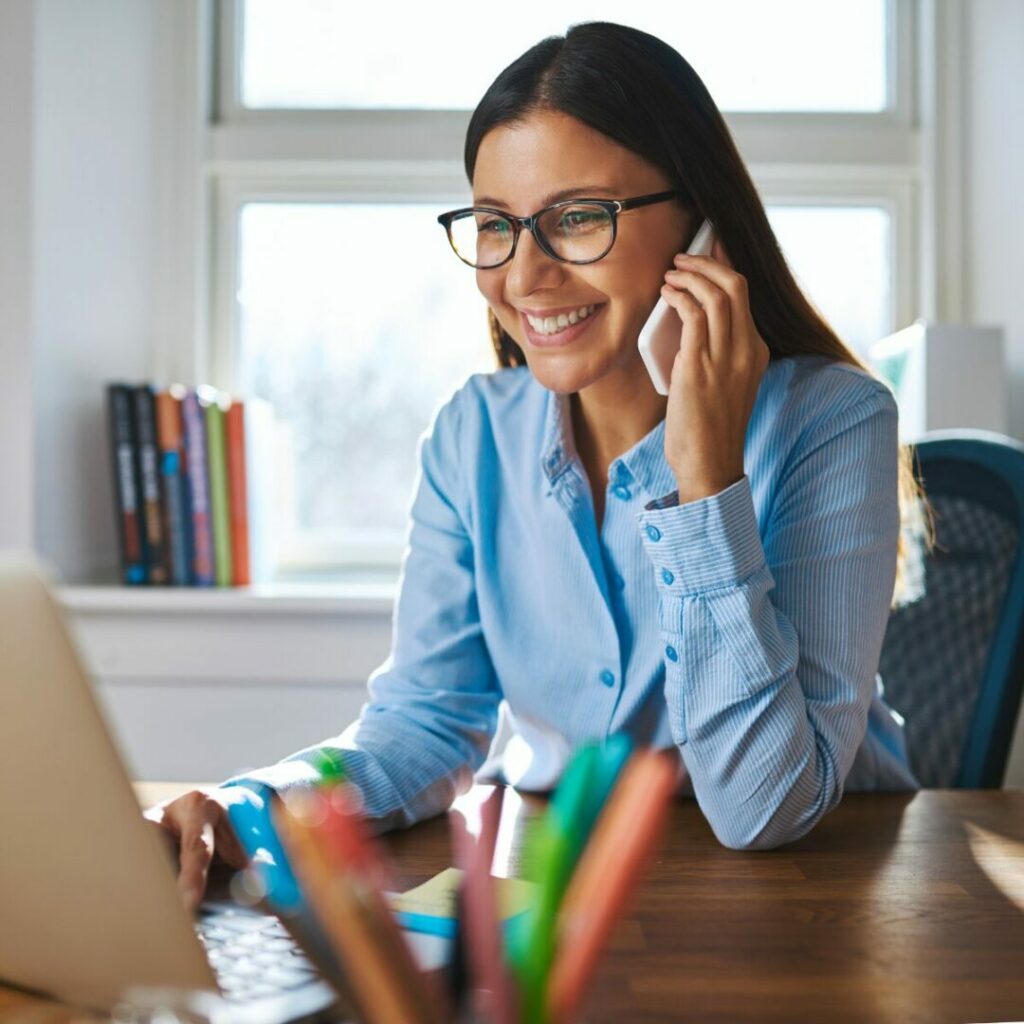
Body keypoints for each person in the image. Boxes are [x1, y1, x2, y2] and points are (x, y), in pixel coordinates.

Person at [148, 21, 923, 910]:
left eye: (579, 218)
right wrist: (252, 803)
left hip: (821, 895)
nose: (525, 275)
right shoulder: (474, 435)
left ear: (702, 228)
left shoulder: (831, 421)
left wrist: (705, 477)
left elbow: (763, 808)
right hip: (561, 892)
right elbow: (427, 723)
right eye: (495, 226)